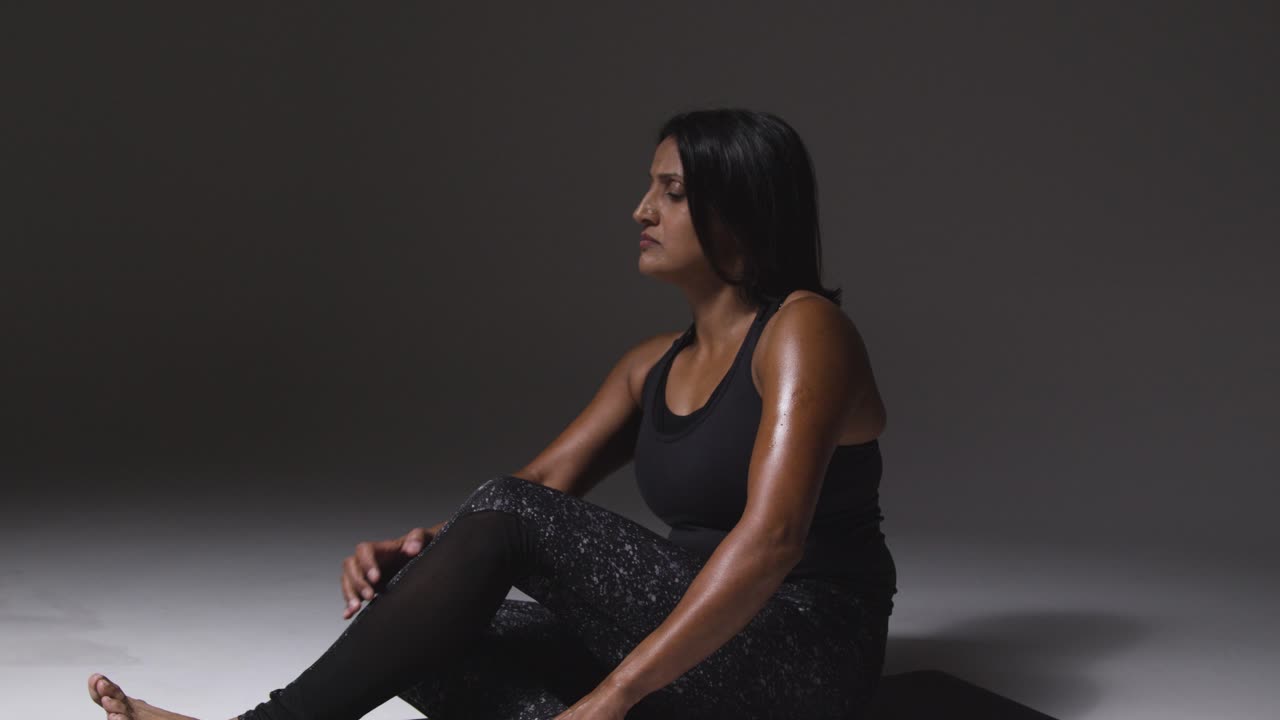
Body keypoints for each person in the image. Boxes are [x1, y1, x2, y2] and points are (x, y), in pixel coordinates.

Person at [86, 107, 897, 720]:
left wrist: (615, 693)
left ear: (741, 216)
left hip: (802, 650)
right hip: (691, 646)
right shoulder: (651, 363)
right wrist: (432, 557)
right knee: (415, 621)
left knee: (489, 543)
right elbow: (540, 485)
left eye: (672, 193)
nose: (640, 211)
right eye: (650, 187)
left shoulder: (802, 331)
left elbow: (771, 543)